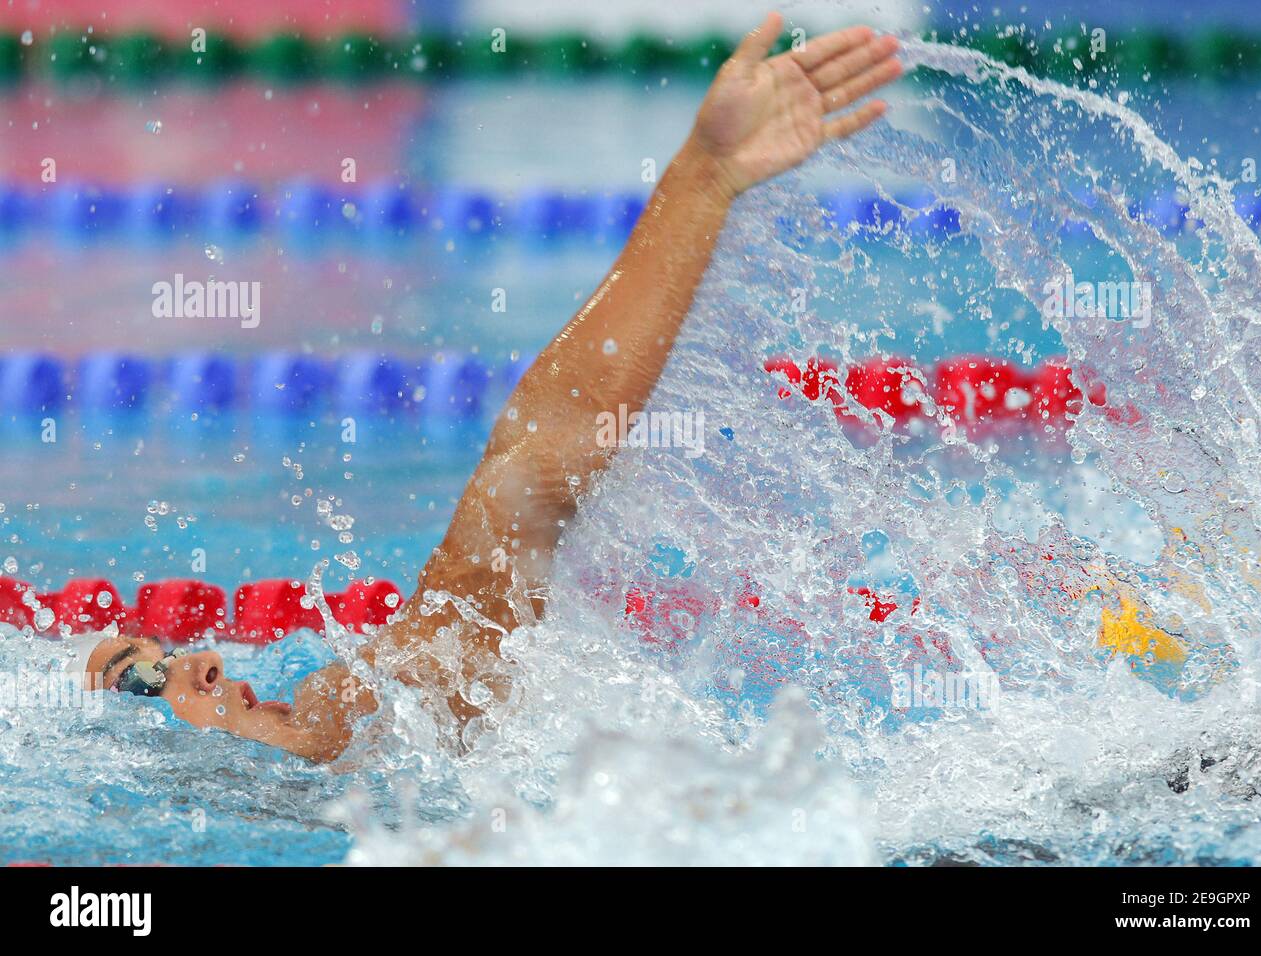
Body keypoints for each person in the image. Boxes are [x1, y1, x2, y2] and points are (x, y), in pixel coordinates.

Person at [64, 14, 907, 761]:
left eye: (159, 651)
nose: (206, 656)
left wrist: (702, 179)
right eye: (147, 682)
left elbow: (526, 486)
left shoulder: (364, 711)